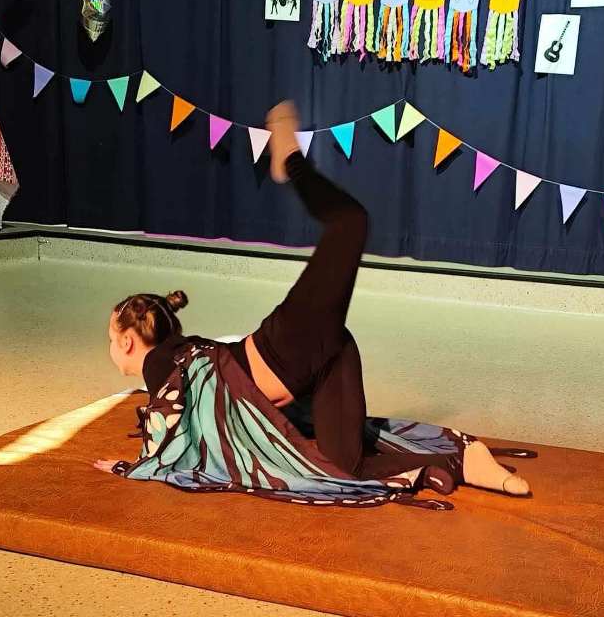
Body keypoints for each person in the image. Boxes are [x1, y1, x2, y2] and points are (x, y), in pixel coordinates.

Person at [96, 100, 530, 500]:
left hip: (288, 346)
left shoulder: (159, 365)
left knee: (350, 223)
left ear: (129, 341)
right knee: (344, 467)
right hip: (323, 357)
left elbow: (171, 432)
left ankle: (290, 158)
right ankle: (458, 462)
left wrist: (132, 466)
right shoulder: (177, 353)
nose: (111, 347)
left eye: (111, 339)